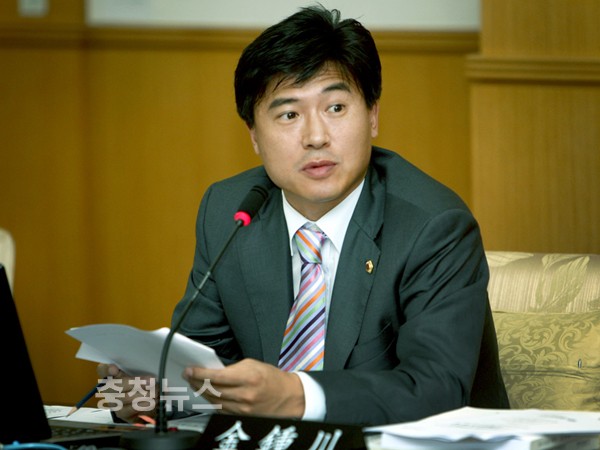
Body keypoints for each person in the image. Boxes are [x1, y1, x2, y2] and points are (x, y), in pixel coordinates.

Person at [98, 4, 509, 427]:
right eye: (289, 114)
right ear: (254, 135)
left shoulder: (432, 226)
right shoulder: (230, 211)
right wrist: (142, 395)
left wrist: (297, 395)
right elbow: (206, 372)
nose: (316, 137)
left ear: (372, 115)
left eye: (336, 108)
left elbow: (436, 390)